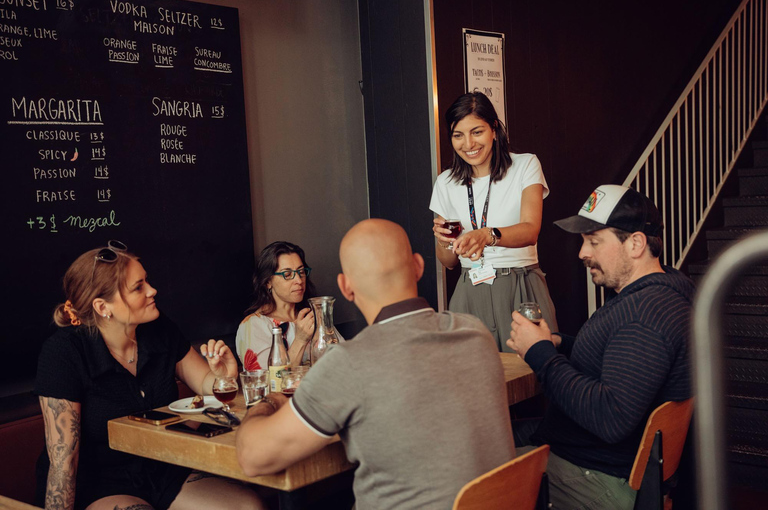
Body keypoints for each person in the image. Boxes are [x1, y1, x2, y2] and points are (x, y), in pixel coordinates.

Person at [236, 219, 515, 509]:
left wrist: (267, 401)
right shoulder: (475, 333)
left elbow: (252, 457)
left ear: (345, 288)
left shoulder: (349, 364)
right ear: (418, 266)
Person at [34, 241, 265, 510]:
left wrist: (224, 376)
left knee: (248, 507)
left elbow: (205, 384)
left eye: (147, 281)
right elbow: (64, 462)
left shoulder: (158, 328)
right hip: (101, 483)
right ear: (102, 306)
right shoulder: (64, 353)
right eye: (138, 287)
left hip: (164, 469)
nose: (153, 290)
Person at [507, 185, 695, 510]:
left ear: (635, 243)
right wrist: (560, 344)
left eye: (594, 241)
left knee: (473, 469)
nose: (582, 253)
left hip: (598, 475)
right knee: (494, 435)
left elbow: (611, 417)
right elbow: (625, 362)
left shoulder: (645, 313)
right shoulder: (657, 294)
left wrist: (541, 355)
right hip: (592, 455)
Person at [429, 91, 557, 351]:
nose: (468, 143)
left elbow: (530, 230)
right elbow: (449, 262)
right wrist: (444, 241)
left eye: (477, 132)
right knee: (473, 380)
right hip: (469, 290)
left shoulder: (525, 165)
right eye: (458, 135)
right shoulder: (445, 182)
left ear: (494, 130)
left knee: (533, 374)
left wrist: (486, 235)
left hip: (521, 284)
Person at [235, 241, 317, 370]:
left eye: (301, 272)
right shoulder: (253, 326)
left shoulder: (312, 316)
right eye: (287, 274)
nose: (299, 280)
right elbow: (269, 383)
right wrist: (300, 340)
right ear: (268, 282)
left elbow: (344, 361)